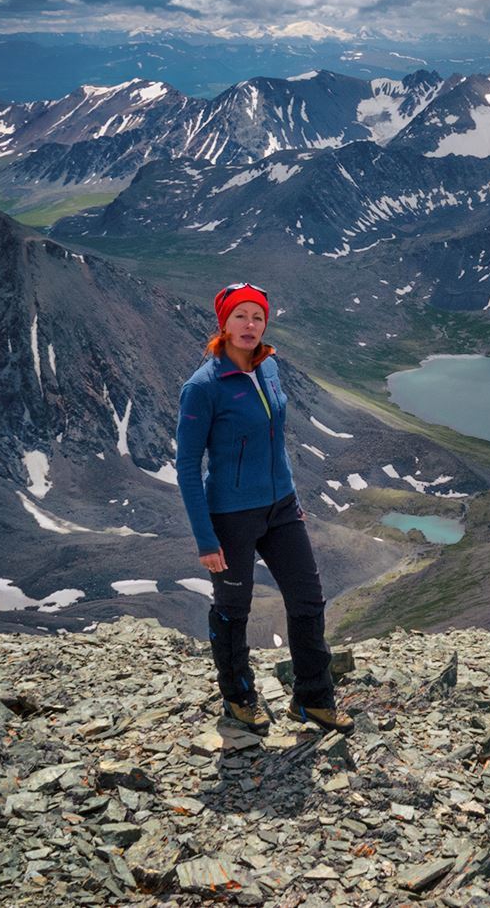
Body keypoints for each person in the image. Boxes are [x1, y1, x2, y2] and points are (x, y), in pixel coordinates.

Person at [175, 282, 354, 736]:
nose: (250, 325)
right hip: (231, 517)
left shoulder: (269, 368)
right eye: (241, 316)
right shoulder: (203, 387)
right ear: (224, 323)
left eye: (257, 316)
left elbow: (275, 440)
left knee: (308, 599)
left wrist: (289, 494)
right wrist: (205, 538)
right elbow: (186, 467)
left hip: (281, 509)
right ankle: (238, 698)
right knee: (234, 608)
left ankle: (313, 700)